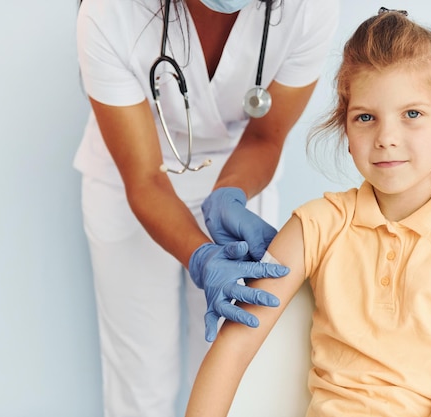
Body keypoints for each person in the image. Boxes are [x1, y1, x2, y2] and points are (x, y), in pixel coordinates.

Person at [185, 7, 431, 417]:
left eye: (412, 114)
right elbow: (231, 352)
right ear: (346, 131)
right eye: (365, 117)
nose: (386, 138)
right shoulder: (316, 225)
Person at [74, 0, 338, 415]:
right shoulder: (109, 12)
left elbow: (265, 137)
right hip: (136, 177)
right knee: (140, 380)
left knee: (230, 367)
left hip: (242, 171)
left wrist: (229, 192)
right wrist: (201, 256)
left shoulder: (309, 8)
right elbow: (144, 178)